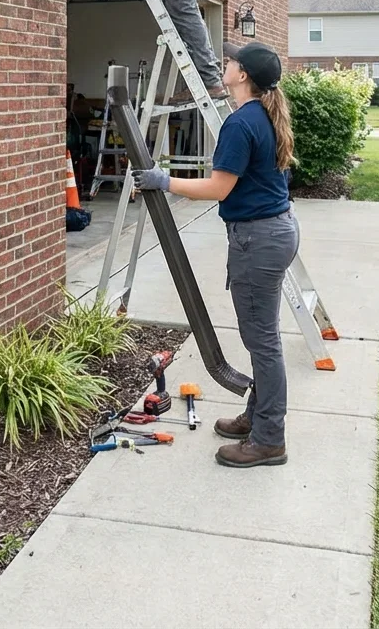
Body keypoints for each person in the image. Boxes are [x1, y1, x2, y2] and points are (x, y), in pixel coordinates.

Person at [132, 41, 299, 468]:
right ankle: (257, 417)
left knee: (263, 343)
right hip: (273, 232)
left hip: (257, 240)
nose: (225, 65)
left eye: (230, 62)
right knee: (263, 337)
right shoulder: (263, 114)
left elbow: (218, 188)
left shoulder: (241, 122)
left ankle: (269, 440)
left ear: (242, 75)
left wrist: (163, 181)